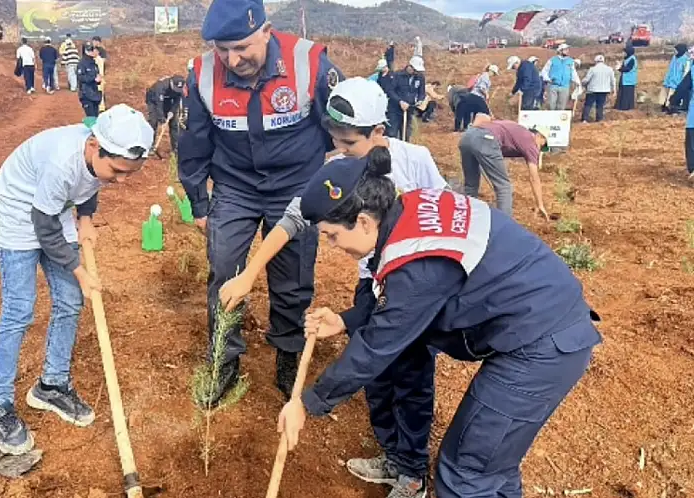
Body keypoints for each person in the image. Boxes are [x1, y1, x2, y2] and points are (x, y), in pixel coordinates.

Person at [277, 148, 602, 498]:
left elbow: (378, 345)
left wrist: (307, 403)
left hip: (541, 344)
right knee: (491, 470)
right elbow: (395, 299)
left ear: (364, 222)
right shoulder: (409, 208)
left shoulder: (416, 264)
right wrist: (346, 320)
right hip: (540, 321)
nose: (332, 245)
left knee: (466, 472)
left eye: (332, 235)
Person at [219, 77, 447, 498]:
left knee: (410, 378)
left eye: (350, 142)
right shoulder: (337, 170)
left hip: (416, 286)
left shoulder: (416, 160)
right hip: (372, 282)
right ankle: (392, 456)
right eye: (336, 142)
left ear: (378, 131)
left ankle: (413, 472)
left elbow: (440, 214)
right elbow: (294, 219)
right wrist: (249, 274)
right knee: (377, 377)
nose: (341, 150)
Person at [178, 0, 344, 407]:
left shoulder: (310, 64)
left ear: (266, 32)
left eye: (242, 48)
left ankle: (287, 353)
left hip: (295, 186)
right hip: (235, 187)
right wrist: (199, 203)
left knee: (292, 277)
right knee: (224, 270)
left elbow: (341, 128)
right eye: (222, 50)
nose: (232, 60)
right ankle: (224, 359)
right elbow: (193, 143)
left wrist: (328, 183)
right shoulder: (201, 75)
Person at [0, 104, 154, 456]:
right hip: (18, 210)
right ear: (94, 146)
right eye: (117, 171)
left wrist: (86, 218)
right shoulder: (63, 162)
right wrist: (79, 270)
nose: (121, 180)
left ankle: (51, 385)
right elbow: (45, 229)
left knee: (70, 300)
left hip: (53, 206)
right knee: (19, 309)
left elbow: (89, 182)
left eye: (129, 173)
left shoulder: (96, 156)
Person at [458, 114, 548, 218]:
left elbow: (482, 118)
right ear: (539, 136)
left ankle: (464, 220)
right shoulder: (531, 141)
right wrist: (540, 204)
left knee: (471, 186)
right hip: (486, 139)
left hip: (467, 137)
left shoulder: (519, 132)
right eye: (543, 145)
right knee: (504, 187)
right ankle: (505, 224)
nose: (540, 149)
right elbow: (534, 178)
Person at [146, 75, 186, 156]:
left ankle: (176, 148)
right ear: (171, 82)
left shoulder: (180, 89)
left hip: (168, 100)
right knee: (153, 122)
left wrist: (172, 111)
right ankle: (150, 146)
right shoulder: (160, 87)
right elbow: (159, 104)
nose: (177, 90)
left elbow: (177, 101)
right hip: (153, 101)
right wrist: (162, 118)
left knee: (174, 124)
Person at [387, 56, 425, 140]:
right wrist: (400, 101)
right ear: (409, 66)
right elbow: (390, 91)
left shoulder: (420, 77)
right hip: (395, 109)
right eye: (415, 70)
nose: (416, 72)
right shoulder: (397, 75)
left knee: (406, 133)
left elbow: (422, 92)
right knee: (392, 133)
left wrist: (420, 100)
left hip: (409, 109)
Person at [541, 44, 581, 111]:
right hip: (553, 86)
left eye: (568, 49)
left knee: (561, 107)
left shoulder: (570, 61)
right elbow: (544, 71)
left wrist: (577, 82)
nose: (567, 51)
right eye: (565, 49)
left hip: (565, 86)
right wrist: (548, 79)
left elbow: (573, 73)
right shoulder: (552, 60)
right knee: (551, 106)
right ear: (560, 51)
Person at [581, 55, 616, 123]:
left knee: (588, 104)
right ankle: (599, 119)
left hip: (592, 90)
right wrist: (614, 89)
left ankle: (585, 119)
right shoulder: (609, 69)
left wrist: (582, 83)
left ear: (596, 61)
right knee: (600, 105)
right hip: (604, 90)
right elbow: (613, 80)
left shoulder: (592, 69)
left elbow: (587, 79)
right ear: (603, 61)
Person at [662, 44, 690, 113]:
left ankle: (674, 109)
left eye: (676, 50)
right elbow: (670, 69)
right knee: (667, 95)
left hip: (678, 82)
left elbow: (685, 73)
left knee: (675, 96)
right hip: (670, 81)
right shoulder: (674, 58)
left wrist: (682, 83)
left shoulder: (686, 60)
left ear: (680, 50)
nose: (674, 52)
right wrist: (667, 79)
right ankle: (666, 107)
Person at [77, 42, 102, 117]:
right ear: (86, 51)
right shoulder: (82, 63)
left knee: (96, 116)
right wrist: (94, 79)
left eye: (93, 49)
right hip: (86, 94)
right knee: (91, 117)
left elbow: (97, 78)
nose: (93, 51)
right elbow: (81, 78)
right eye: (91, 50)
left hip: (94, 93)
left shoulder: (94, 64)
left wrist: (98, 80)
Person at [615, 45, 638, 111]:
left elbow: (628, 69)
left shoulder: (632, 59)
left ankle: (625, 108)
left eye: (625, 52)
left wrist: (619, 68)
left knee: (627, 95)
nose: (624, 53)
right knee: (622, 94)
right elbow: (624, 67)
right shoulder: (627, 58)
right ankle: (620, 107)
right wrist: (620, 66)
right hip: (624, 79)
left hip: (629, 80)